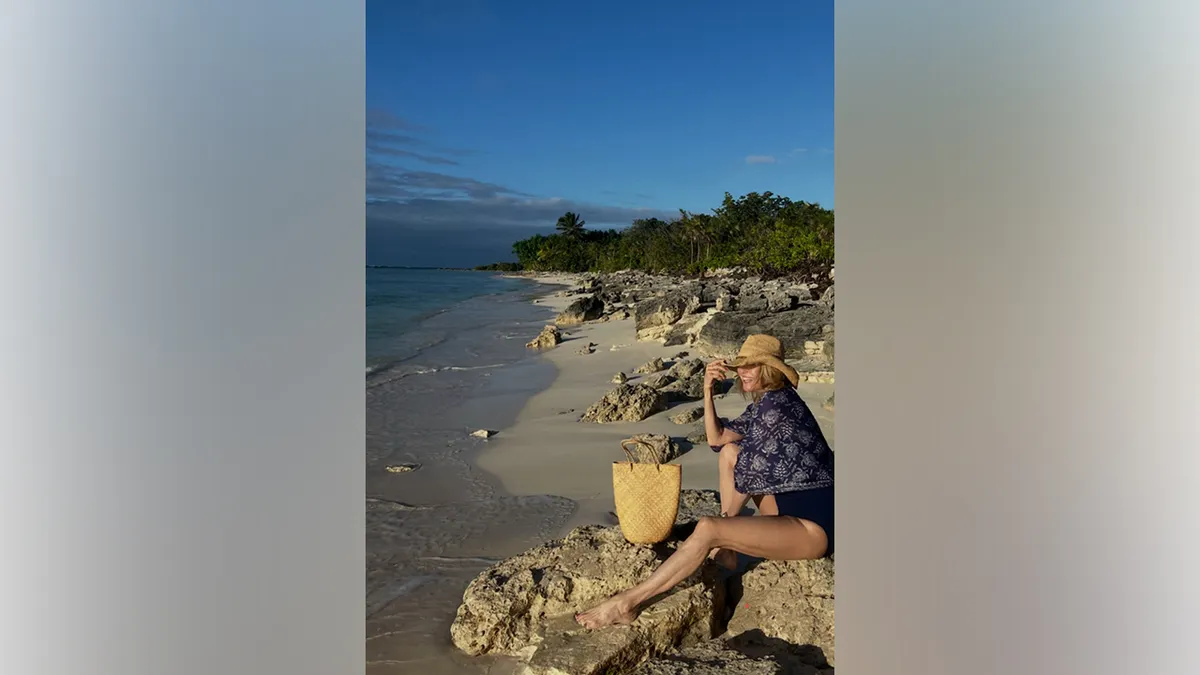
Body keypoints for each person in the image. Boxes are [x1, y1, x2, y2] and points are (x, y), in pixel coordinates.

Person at [575, 334, 834, 630]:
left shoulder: (776, 410)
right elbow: (718, 439)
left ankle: (626, 604)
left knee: (709, 528)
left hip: (814, 531)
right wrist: (707, 390)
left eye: (752, 366)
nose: (743, 372)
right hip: (791, 511)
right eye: (740, 366)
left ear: (770, 370)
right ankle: (727, 548)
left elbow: (749, 476)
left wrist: (721, 524)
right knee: (730, 452)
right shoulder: (768, 402)